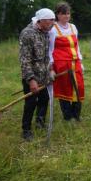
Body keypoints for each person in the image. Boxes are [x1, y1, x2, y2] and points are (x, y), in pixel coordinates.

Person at [19, 8, 55, 141]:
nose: (52, 23)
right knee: (30, 103)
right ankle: (26, 130)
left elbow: (46, 55)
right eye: (50, 20)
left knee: (45, 98)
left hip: (44, 75)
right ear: (41, 20)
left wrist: (50, 69)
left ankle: (40, 122)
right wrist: (31, 79)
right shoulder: (27, 34)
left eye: (53, 20)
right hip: (32, 76)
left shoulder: (45, 32)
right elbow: (25, 59)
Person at [49, 2, 84, 121]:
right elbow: (50, 50)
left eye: (68, 13)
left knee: (78, 87)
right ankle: (68, 116)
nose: (66, 16)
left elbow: (77, 46)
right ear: (58, 15)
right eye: (64, 14)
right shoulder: (53, 29)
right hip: (61, 64)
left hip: (75, 63)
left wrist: (81, 61)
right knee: (64, 88)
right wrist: (51, 68)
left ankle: (77, 115)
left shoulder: (73, 27)